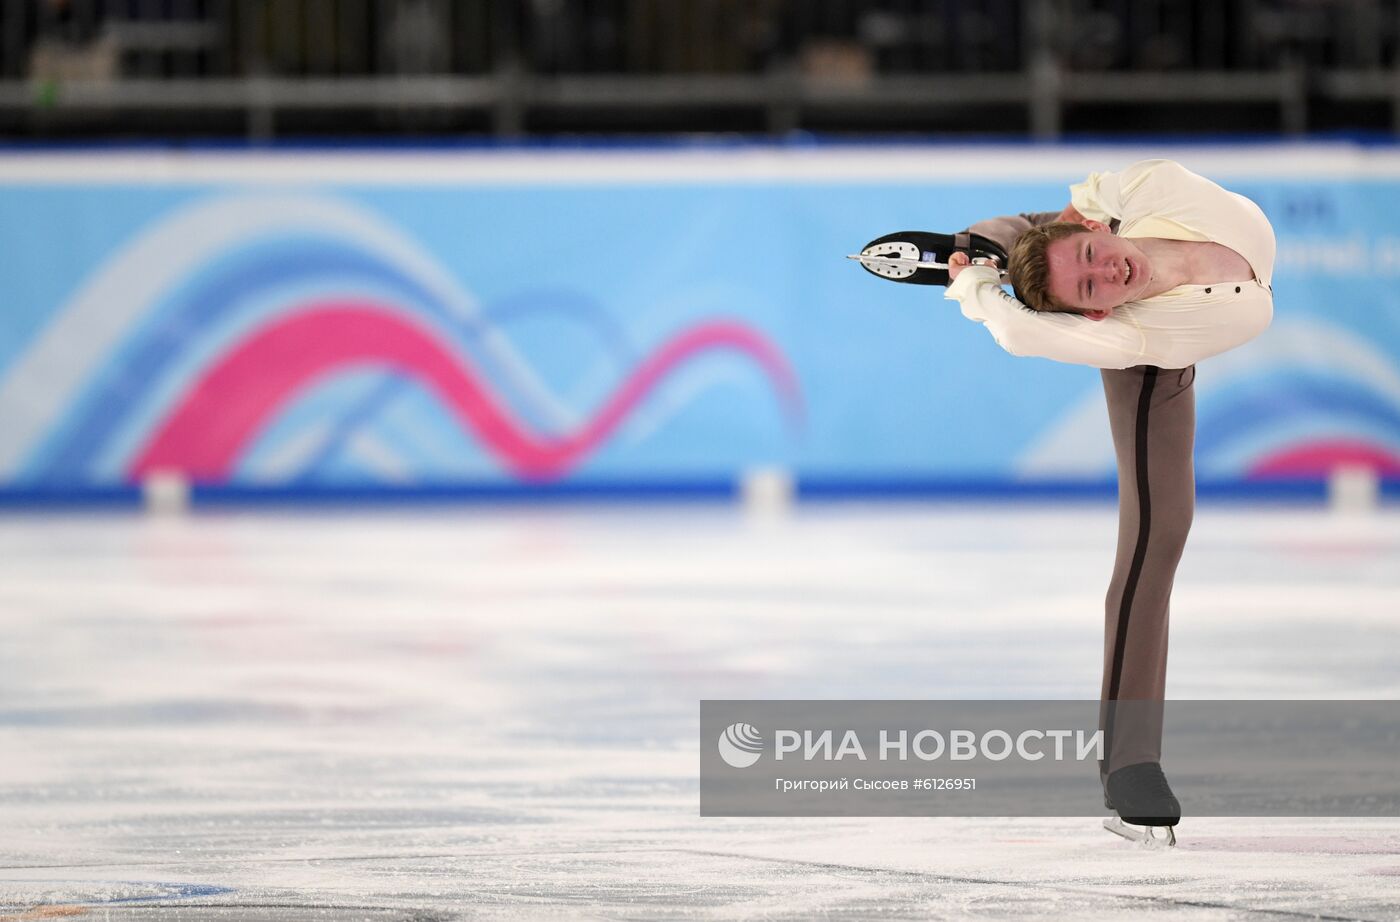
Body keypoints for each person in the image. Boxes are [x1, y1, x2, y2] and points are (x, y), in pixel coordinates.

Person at [944, 159, 1276, 836]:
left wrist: (1006, 246)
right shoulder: (1125, 329)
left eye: (1095, 256)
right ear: (1094, 309)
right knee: (1161, 531)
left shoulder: (1146, 189)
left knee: (1047, 236)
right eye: (1092, 285)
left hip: (1108, 226)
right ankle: (1130, 763)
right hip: (1158, 344)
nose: (1108, 273)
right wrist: (978, 288)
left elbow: (1084, 220)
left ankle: (993, 238)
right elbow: (1021, 333)